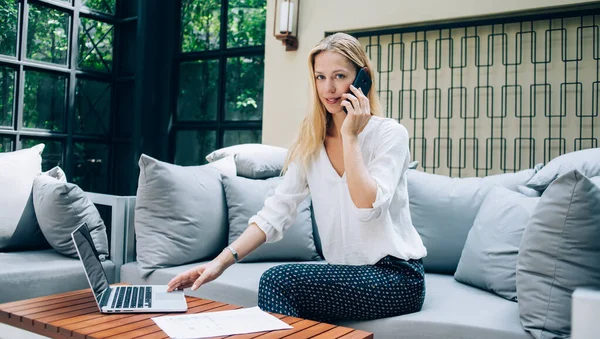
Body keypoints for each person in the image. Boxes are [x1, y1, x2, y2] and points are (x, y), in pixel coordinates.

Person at [167, 32, 427, 322]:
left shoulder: (390, 134)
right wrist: (220, 263)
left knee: (278, 281)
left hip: (397, 278)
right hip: (345, 275)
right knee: (284, 300)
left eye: (339, 76)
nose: (328, 88)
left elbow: (367, 205)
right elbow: (275, 213)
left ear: (361, 79)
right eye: (320, 77)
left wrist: (350, 136)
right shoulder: (311, 142)